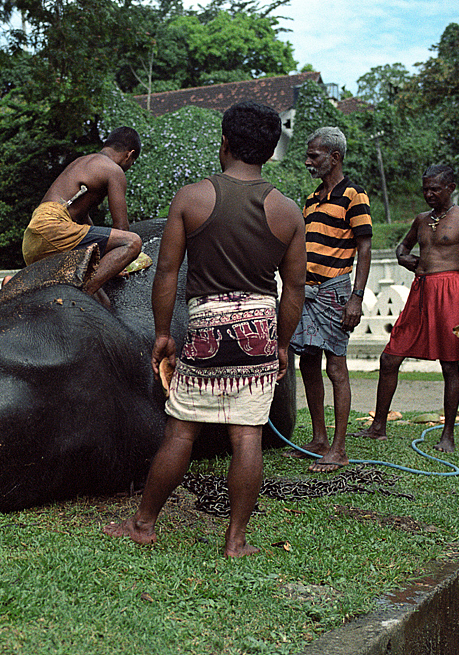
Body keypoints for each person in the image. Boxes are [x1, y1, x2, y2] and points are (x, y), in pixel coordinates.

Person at [103, 101, 306, 558]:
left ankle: (143, 524)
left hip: (207, 327)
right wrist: (282, 344)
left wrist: (162, 333)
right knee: (247, 436)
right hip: (259, 327)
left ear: (226, 143)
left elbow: (167, 271)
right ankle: (235, 540)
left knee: (181, 431)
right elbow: (294, 290)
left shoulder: (192, 197)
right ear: (270, 151)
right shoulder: (288, 211)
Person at [352, 164, 459, 453]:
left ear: (450, 188)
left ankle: (448, 435)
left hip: (449, 290)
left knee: (449, 365)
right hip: (420, 291)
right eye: (425, 189)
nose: (428, 194)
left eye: (435, 189)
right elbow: (401, 247)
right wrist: (403, 258)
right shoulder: (421, 220)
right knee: (390, 358)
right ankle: (378, 427)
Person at [283, 126, 372, 472]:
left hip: (335, 290)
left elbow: (364, 248)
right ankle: (319, 439)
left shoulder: (354, 195)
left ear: (334, 158)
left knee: (335, 366)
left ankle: (339, 448)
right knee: (308, 362)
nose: (308, 161)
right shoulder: (312, 199)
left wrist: (356, 298)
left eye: (314, 156)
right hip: (307, 290)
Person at [21, 127, 144, 300]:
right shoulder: (113, 171)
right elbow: (122, 228)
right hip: (53, 230)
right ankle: (81, 296)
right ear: (128, 155)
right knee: (133, 242)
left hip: (32, 241)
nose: (129, 167)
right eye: (132, 162)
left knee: (103, 302)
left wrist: (108, 264)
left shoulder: (81, 162)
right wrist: (119, 262)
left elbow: (82, 220)